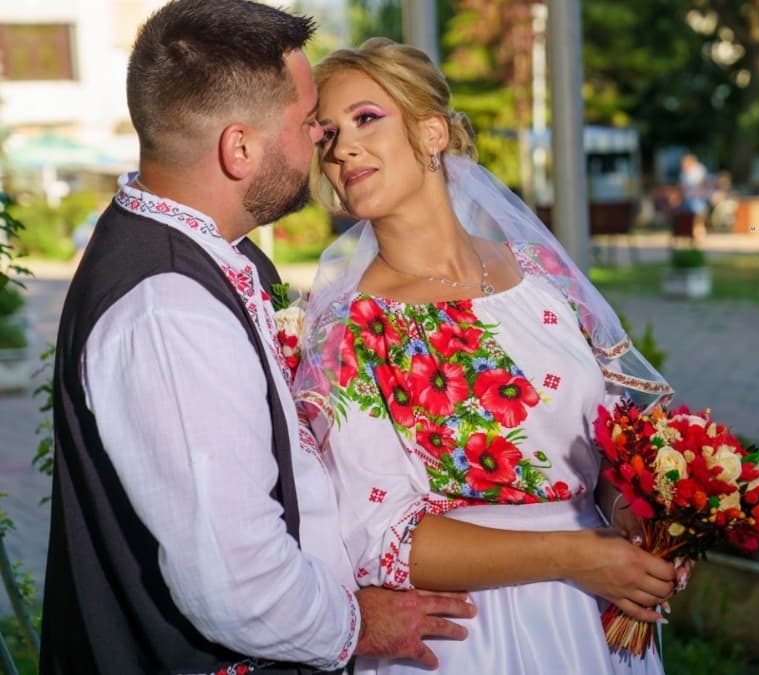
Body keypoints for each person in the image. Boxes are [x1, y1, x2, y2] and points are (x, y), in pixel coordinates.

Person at [40, 3, 473, 673]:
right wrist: (356, 624)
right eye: (307, 125)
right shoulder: (169, 310)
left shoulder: (217, 255)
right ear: (239, 147)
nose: (322, 142)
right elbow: (236, 583)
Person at [295, 38, 686, 675]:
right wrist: (575, 554)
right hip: (472, 636)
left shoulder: (541, 274)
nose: (342, 148)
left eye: (366, 118)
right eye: (327, 135)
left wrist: (634, 522)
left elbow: (613, 442)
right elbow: (378, 536)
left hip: (598, 613)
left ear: (430, 132)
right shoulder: (351, 324)